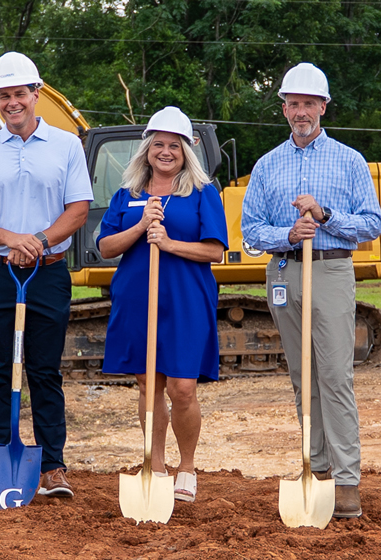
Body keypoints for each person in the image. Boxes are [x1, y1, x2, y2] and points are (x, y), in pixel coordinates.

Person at [241, 62, 381, 518]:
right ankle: (315, 468)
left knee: (335, 376)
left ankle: (346, 479)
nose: (300, 111)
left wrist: (325, 217)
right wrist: (287, 234)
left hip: (331, 270)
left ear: (323, 106)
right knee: (303, 377)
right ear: (284, 108)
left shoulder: (349, 160)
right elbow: (250, 229)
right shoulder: (267, 165)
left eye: (309, 103)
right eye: (293, 103)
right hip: (285, 271)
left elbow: (373, 224)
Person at [0, 52, 93, 497]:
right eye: (4, 95)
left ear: (36, 94)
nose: (12, 102)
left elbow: (78, 209)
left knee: (44, 370)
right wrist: (11, 239)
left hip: (48, 273)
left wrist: (37, 240)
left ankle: (52, 465)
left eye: (20, 93)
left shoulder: (67, 145)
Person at [96, 107, 227, 503]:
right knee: (147, 383)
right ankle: (154, 465)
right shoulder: (128, 195)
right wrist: (140, 226)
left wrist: (168, 243)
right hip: (137, 297)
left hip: (186, 298)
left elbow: (214, 251)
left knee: (182, 387)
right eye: (158, 145)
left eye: (174, 145)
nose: (166, 152)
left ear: (186, 151)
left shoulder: (202, 193)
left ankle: (187, 466)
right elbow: (105, 247)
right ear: (146, 150)